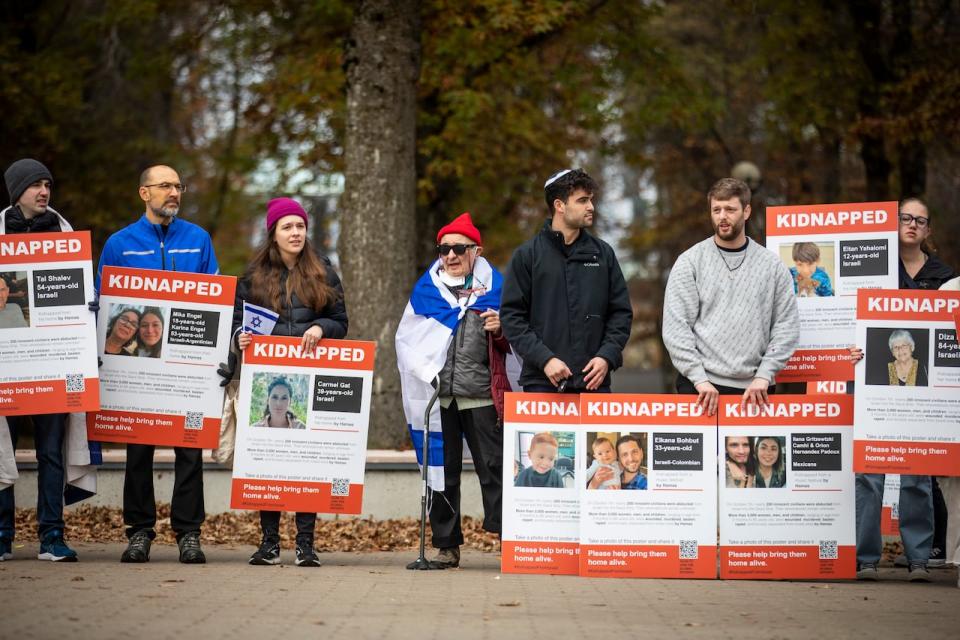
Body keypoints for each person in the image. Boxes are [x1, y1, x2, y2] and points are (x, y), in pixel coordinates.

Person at [97, 164, 219, 565]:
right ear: (143, 193)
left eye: (178, 186)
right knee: (139, 450)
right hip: (138, 367)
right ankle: (139, 532)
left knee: (190, 450)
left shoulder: (198, 239)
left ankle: (188, 532)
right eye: (165, 186)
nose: (174, 193)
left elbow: (215, 301)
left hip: (187, 366)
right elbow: (105, 303)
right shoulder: (119, 244)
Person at [230, 197, 347, 567]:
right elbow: (235, 322)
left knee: (305, 465)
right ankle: (268, 543)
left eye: (300, 226)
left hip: (310, 380)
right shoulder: (252, 277)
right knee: (269, 463)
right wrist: (239, 338)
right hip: (267, 382)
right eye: (288, 227)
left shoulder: (323, 271)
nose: (296, 233)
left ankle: (306, 545)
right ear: (273, 234)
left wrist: (320, 326)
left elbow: (341, 322)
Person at [395, 212, 513, 569]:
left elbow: (520, 343)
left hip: (479, 394)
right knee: (439, 471)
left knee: (493, 468)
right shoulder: (426, 290)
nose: (450, 255)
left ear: (476, 250)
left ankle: (507, 539)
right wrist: (424, 370)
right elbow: (406, 340)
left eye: (459, 248)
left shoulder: (498, 288)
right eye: (444, 249)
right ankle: (446, 545)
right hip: (437, 397)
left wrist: (501, 328)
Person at [852, 197, 956, 582]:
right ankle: (866, 558)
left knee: (917, 473)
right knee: (869, 472)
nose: (912, 225)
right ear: (892, 223)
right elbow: (852, 315)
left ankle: (918, 557)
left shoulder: (944, 276)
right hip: (874, 382)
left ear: (928, 231)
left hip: (923, 389)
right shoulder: (875, 269)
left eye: (920, 221)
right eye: (905, 218)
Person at [0, 159, 87, 562]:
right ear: (16, 190)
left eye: (47, 183)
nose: (44, 191)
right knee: (2, 451)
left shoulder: (65, 234)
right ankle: (2, 536)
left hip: (53, 365)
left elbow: (86, 290)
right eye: (35, 184)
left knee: (51, 452)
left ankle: (52, 536)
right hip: (8, 366)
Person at [662, 177, 799, 416]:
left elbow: (786, 327)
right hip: (700, 389)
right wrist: (699, 379)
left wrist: (765, 376)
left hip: (756, 390)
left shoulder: (772, 266)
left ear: (746, 211)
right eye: (716, 210)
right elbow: (676, 329)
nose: (722, 216)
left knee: (747, 454)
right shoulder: (690, 262)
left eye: (730, 209)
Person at [501, 169, 632, 393]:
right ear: (559, 205)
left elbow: (621, 314)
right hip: (542, 384)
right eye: (582, 201)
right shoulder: (527, 256)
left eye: (590, 200)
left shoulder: (603, 254)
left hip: (595, 384)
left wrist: (606, 357)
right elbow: (512, 318)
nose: (591, 207)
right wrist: (545, 360)